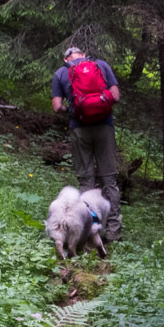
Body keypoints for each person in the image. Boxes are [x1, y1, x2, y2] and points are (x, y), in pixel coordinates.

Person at [50, 46, 123, 243]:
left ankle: (88, 231)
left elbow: (57, 107)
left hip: (79, 129)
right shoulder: (101, 65)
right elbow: (115, 96)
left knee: (86, 181)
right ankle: (114, 232)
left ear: (66, 59)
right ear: (83, 55)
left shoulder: (61, 73)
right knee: (109, 180)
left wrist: (73, 109)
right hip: (105, 128)